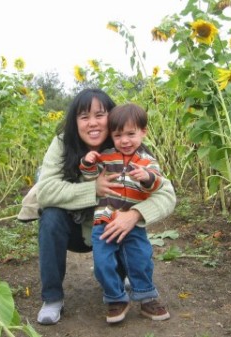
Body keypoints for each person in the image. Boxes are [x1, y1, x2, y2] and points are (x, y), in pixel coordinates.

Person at [29, 88, 176, 325]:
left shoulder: (126, 142)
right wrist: (93, 189)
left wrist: (135, 214)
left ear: (112, 115)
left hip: (116, 228)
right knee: (50, 217)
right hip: (75, 229)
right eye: (84, 117)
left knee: (129, 245)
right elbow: (45, 191)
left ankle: (125, 277)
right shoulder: (63, 144)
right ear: (75, 121)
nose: (93, 123)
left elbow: (167, 193)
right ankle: (52, 298)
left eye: (100, 115)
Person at [79, 103, 171, 323]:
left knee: (140, 260)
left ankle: (147, 298)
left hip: (133, 223)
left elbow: (156, 183)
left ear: (143, 132)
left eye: (131, 134)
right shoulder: (107, 156)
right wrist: (88, 163)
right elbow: (90, 176)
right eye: (118, 135)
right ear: (111, 136)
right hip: (104, 221)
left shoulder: (147, 162)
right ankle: (116, 298)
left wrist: (147, 178)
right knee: (102, 262)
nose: (125, 141)